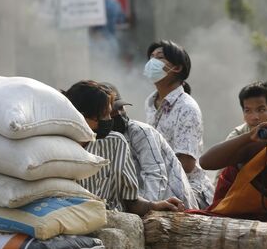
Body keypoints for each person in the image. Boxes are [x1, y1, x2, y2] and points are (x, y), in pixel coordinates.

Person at [64, 80, 185, 216]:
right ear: (83, 116)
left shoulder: (116, 143)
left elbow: (132, 201)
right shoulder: (57, 149)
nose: (110, 119)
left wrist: (153, 205)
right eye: (104, 115)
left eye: (112, 112)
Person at [99, 83, 198, 209]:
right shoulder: (102, 139)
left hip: (172, 203)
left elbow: (155, 175)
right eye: (112, 112)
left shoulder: (140, 132)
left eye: (121, 108)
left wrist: (147, 208)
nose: (118, 114)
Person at [143, 40, 214, 209]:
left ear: (177, 68)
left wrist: (150, 171)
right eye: (151, 57)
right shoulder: (150, 102)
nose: (152, 62)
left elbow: (187, 164)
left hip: (189, 189)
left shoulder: (187, 108)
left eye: (159, 57)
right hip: (160, 182)